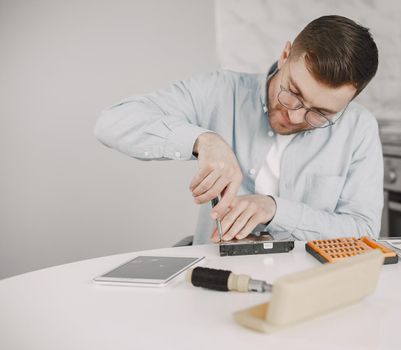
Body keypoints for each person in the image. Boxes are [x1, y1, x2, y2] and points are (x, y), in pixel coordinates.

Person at [94, 15, 382, 245]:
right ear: (284, 55)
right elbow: (112, 122)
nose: (295, 116)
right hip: (216, 277)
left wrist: (276, 210)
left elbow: (364, 231)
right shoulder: (220, 91)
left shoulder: (359, 128)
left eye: (321, 113)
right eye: (293, 92)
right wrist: (202, 140)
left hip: (311, 289)